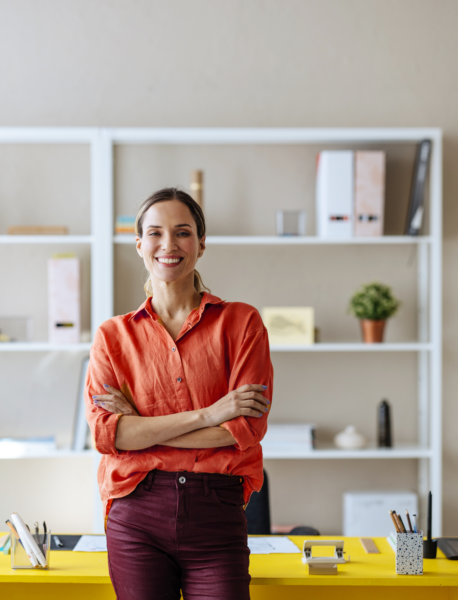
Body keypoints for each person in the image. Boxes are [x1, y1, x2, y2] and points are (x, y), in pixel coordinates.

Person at [86, 187, 273, 600]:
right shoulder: (112, 336)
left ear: (201, 244)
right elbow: (106, 436)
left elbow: (246, 427)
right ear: (139, 245)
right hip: (137, 513)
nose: (168, 245)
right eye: (155, 233)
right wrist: (210, 415)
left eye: (183, 232)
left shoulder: (242, 323)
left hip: (215, 512)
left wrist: (139, 425)